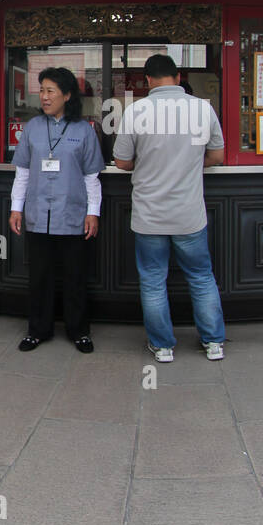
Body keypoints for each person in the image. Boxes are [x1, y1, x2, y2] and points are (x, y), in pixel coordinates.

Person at [111, 54, 226, 364]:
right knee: (201, 277)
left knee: (152, 280)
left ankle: (163, 347)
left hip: (149, 215)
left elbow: (122, 162)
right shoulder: (202, 108)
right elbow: (216, 156)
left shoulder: (136, 111)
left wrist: (147, 163)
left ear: (147, 80)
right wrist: (188, 164)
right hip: (189, 214)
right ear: (177, 77)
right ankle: (213, 342)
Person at [9, 68, 103, 353]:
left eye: (51, 91)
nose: (45, 96)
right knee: (40, 276)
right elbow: (22, 172)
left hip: (72, 214)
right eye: (43, 90)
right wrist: (16, 208)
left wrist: (93, 212)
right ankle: (38, 330)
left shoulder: (84, 130)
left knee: (75, 276)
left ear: (67, 95)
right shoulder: (33, 128)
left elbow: (91, 177)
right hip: (38, 214)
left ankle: (79, 331)